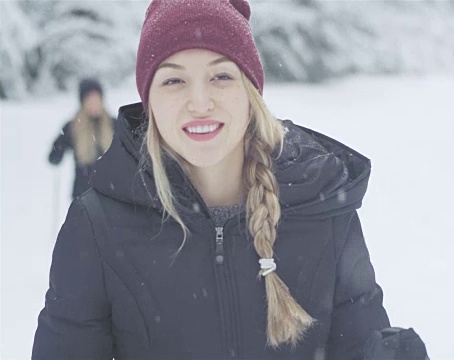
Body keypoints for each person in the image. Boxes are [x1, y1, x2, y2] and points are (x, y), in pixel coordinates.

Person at [32, 1, 428, 359]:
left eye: (221, 76)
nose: (200, 101)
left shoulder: (319, 202)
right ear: (148, 100)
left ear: (251, 92)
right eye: (173, 80)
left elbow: (359, 341)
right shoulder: (98, 226)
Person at [48, 77, 116, 198]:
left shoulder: (114, 125)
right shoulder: (73, 127)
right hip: (83, 194)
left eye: (97, 99)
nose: (94, 104)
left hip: (111, 193)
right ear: (82, 102)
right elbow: (53, 156)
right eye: (89, 100)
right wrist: (57, 150)